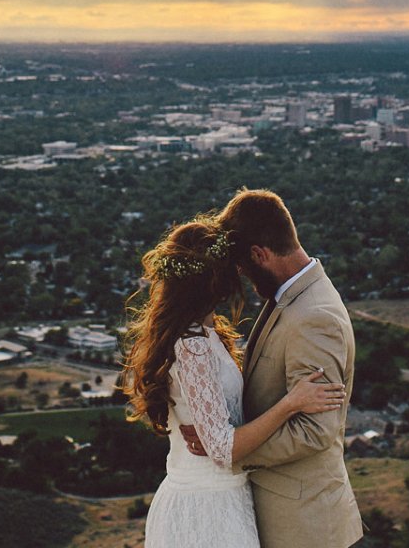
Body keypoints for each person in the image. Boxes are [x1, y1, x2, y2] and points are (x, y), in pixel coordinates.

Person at [123, 215, 346, 548]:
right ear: (216, 281)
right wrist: (292, 403)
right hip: (207, 510)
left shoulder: (205, 336)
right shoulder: (193, 347)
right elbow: (223, 449)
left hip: (222, 498)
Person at [216, 188, 364, 548]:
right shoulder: (291, 297)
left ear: (259, 254)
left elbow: (315, 431)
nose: (246, 279)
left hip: (304, 524)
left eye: (244, 267)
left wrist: (230, 451)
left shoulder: (314, 317)